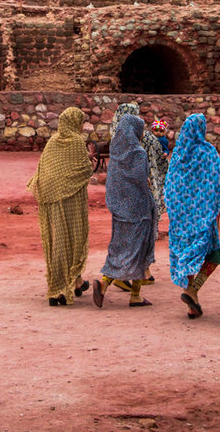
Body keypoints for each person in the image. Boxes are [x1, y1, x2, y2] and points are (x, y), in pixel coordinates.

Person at [27, 106, 93, 306]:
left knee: (58, 242)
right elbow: (86, 170)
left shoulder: (52, 142)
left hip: (50, 199)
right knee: (73, 240)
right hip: (71, 201)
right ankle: (61, 289)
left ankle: (73, 281)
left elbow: (44, 171)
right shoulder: (77, 142)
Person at [92, 113, 157, 308]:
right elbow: (142, 180)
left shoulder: (117, 155)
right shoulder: (138, 154)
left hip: (120, 209)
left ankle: (107, 285)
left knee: (120, 248)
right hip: (140, 209)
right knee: (140, 248)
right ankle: (129, 292)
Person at [164, 113, 220, 319]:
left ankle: (192, 302)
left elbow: (169, 187)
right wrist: (215, 210)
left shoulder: (178, 155)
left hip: (181, 218)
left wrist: (174, 213)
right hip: (204, 215)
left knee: (186, 253)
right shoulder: (208, 153)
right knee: (215, 255)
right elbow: (213, 185)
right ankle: (193, 290)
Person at [110, 102, 166, 284]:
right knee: (146, 231)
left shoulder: (117, 140)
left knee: (124, 233)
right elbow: (161, 162)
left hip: (122, 194)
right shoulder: (148, 139)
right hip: (147, 191)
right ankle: (144, 271)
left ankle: (120, 271)